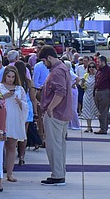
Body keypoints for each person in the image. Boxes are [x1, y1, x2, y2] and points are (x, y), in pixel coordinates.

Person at [38, 45, 74, 186]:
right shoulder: (63, 68)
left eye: (44, 61)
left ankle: (57, 175)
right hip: (63, 113)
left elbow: (60, 92)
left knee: (54, 146)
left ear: (49, 57)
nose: (44, 64)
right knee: (59, 145)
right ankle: (60, 173)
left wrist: (50, 108)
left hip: (56, 114)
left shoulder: (57, 71)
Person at [0, 66, 28, 183]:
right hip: (1, 120)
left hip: (14, 119)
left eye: (13, 77)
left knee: (11, 147)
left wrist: (20, 103)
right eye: (8, 76)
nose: (10, 79)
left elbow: (25, 105)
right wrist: (4, 96)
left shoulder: (19, 89)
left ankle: (10, 173)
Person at [80, 63, 98, 132]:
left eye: (93, 67)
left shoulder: (97, 75)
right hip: (87, 93)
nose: (91, 68)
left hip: (94, 94)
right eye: (90, 67)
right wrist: (82, 82)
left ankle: (102, 126)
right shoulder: (86, 75)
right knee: (87, 110)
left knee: (96, 110)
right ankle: (89, 127)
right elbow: (82, 86)